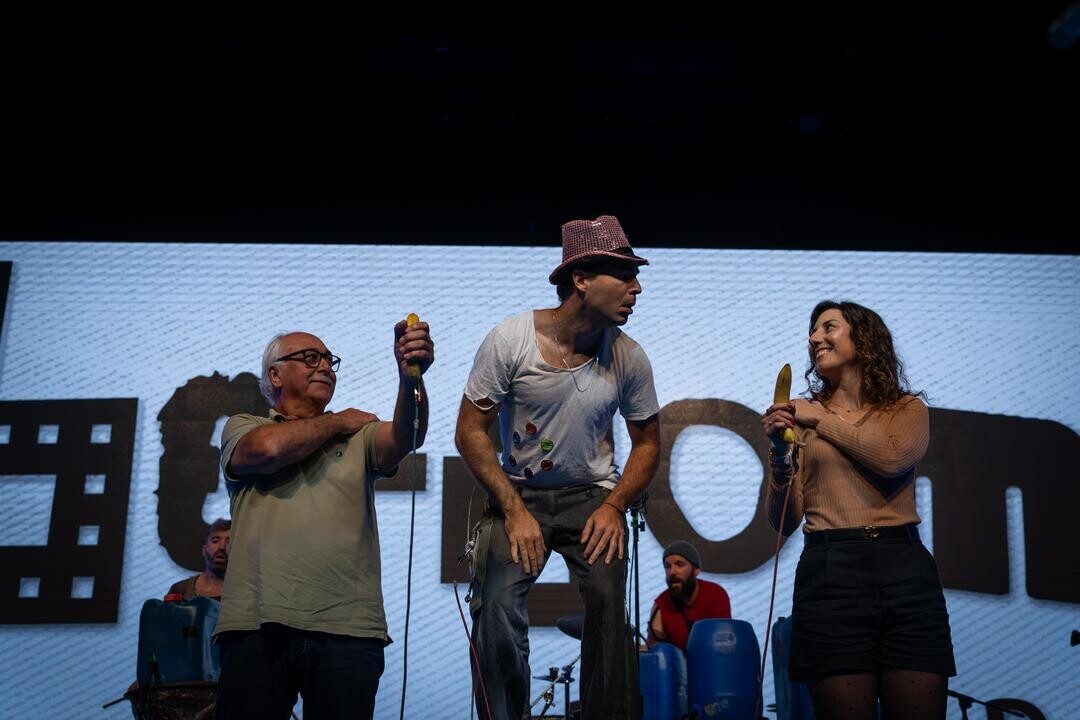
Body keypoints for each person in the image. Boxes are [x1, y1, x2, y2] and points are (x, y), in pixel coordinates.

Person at [456, 214, 661, 720]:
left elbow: (648, 444)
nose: (636, 288)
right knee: (496, 607)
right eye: (624, 276)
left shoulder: (629, 357)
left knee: (608, 603)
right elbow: (469, 432)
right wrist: (512, 510)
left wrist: (615, 505)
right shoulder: (511, 340)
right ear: (581, 279)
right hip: (519, 493)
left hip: (592, 495)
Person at [213, 321, 433, 720]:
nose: (326, 367)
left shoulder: (359, 436)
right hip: (257, 624)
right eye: (310, 358)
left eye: (330, 360)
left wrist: (409, 378)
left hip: (348, 626)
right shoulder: (245, 426)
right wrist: (336, 421)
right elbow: (265, 451)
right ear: (275, 375)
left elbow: (406, 437)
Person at [762, 300, 955, 720]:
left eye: (828, 327)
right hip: (830, 573)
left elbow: (891, 459)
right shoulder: (801, 418)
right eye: (813, 331)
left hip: (904, 570)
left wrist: (821, 420)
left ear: (864, 339)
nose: (814, 337)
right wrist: (779, 455)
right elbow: (784, 521)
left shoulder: (906, 409)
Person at [645, 541, 731, 652]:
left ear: (696, 570)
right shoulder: (660, 605)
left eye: (679, 564)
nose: (672, 572)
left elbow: (724, 644)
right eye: (668, 566)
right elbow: (656, 653)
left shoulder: (716, 594)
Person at [167, 518, 230, 601]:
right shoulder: (180, 590)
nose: (222, 547)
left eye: (229, 542)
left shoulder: (244, 592)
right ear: (204, 550)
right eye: (215, 541)